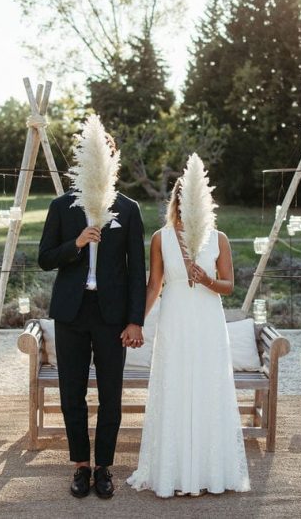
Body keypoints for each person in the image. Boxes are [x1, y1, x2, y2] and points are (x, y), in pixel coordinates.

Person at [126, 179, 250, 498]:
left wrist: (208, 279)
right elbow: (154, 285)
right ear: (178, 201)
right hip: (175, 319)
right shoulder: (160, 238)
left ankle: (211, 470)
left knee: (208, 387)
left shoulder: (218, 238)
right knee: (176, 384)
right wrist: (135, 322)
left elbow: (229, 285)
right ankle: (173, 470)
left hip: (208, 320)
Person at [38, 187, 146, 499]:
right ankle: (82, 466)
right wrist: (77, 243)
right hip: (71, 312)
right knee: (72, 393)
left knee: (110, 394)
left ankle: (104, 468)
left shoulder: (128, 208)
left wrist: (135, 319)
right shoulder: (61, 205)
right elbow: (45, 258)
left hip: (112, 315)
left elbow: (137, 269)